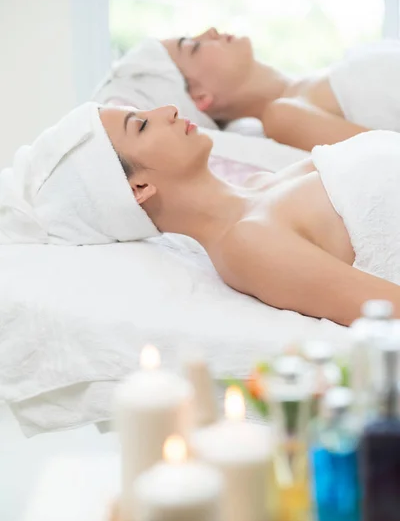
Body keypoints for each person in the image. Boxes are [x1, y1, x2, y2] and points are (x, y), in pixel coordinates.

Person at [2, 102, 399, 327]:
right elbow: (386, 309)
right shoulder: (247, 244)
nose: (168, 109)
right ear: (137, 189)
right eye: (141, 125)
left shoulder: (266, 183)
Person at [162, 28, 400, 150]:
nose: (211, 31)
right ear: (200, 97)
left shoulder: (318, 77)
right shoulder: (282, 115)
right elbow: (388, 156)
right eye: (193, 46)